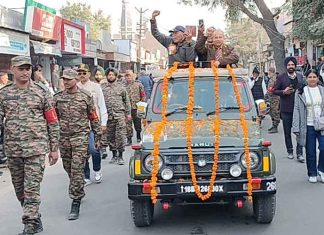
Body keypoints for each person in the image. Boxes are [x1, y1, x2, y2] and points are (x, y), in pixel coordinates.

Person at [0, 56, 59, 235]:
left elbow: (52, 121)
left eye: (28, 68)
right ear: (12, 70)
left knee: (31, 188)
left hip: (36, 148)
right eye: (21, 68)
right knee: (20, 189)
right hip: (13, 149)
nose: (25, 72)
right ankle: (35, 217)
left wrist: (54, 148)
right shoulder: (4, 94)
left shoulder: (41, 92)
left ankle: (30, 224)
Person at [54, 69, 102, 220]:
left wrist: (98, 136)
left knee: (76, 168)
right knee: (68, 168)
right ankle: (78, 185)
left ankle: (75, 201)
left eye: (69, 79)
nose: (66, 82)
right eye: (64, 79)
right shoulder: (57, 98)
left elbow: (93, 117)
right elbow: (53, 120)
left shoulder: (85, 97)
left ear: (75, 79)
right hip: (64, 138)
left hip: (81, 137)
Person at [77, 64, 108, 185]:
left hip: (94, 124)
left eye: (84, 73)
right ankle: (86, 175)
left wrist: (103, 123)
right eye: (79, 73)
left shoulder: (96, 87)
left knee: (94, 150)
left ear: (89, 74)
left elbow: (102, 105)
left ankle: (97, 170)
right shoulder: (75, 87)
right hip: (80, 125)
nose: (82, 75)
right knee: (82, 152)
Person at [292, 69, 324, 183]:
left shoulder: (322, 90)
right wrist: (295, 127)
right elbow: (296, 110)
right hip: (307, 125)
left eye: (314, 77)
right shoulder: (300, 92)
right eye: (310, 77)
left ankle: (321, 170)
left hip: (322, 125)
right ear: (306, 78)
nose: (312, 79)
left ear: (318, 78)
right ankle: (312, 173)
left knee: (323, 148)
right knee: (310, 151)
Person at [274, 56, 304, 161]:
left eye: (292, 65)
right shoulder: (281, 77)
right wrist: (283, 91)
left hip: (299, 109)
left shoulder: (300, 77)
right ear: (286, 66)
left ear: (295, 66)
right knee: (287, 132)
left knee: (299, 131)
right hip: (286, 109)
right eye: (289, 65)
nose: (291, 66)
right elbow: (274, 90)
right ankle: (290, 151)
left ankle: (299, 153)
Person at [101, 68, 131, 165]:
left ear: (115, 76)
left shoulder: (121, 88)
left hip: (119, 115)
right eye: (109, 75)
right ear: (106, 76)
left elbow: (126, 101)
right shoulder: (102, 88)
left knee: (121, 136)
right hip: (108, 116)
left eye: (112, 75)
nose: (110, 76)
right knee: (110, 136)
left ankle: (120, 156)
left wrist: (128, 113)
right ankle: (114, 155)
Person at [125, 70, 146, 144]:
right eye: (127, 76)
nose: (128, 77)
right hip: (127, 109)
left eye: (129, 75)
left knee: (138, 123)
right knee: (128, 125)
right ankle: (129, 139)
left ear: (133, 76)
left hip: (137, 107)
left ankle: (138, 136)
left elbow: (143, 95)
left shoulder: (138, 84)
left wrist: (142, 108)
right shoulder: (123, 86)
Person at [93, 66, 108, 159]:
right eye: (96, 74)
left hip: (105, 111)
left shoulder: (106, 85)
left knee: (103, 132)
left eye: (100, 74)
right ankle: (97, 149)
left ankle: (103, 148)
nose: (98, 76)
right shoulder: (92, 85)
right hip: (95, 113)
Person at [267, 67, 280, 133]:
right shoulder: (272, 78)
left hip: (275, 98)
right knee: (271, 112)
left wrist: (271, 91)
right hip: (272, 97)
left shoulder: (274, 78)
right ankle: (273, 125)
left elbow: (273, 88)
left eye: (269, 71)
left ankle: (275, 126)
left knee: (275, 112)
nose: (268, 73)